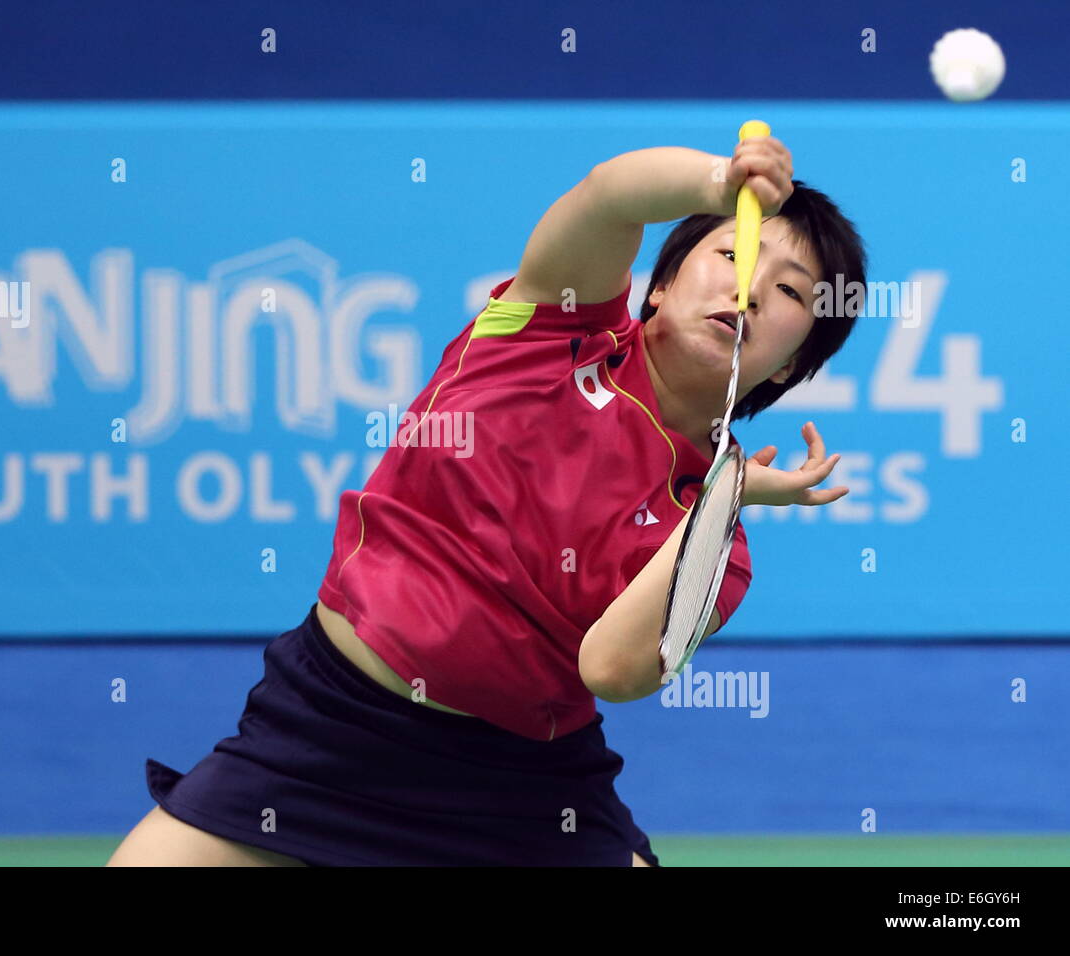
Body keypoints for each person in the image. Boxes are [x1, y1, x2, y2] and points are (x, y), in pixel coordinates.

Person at [108, 135, 865, 867]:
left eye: (791, 290)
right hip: (327, 728)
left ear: (791, 363)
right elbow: (607, 196)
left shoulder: (715, 545)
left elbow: (612, 669)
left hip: (519, 786)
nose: (750, 288)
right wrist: (719, 184)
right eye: (731, 254)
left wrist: (724, 492)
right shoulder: (550, 328)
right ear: (659, 285)